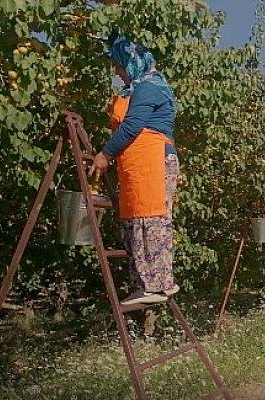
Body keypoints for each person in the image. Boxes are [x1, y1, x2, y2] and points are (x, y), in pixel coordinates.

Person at [89, 33, 180, 305]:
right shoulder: (137, 87)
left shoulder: (150, 86)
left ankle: (160, 284)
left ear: (132, 61)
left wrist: (105, 154)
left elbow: (133, 125)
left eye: (119, 65)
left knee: (151, 220)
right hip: (137, 165)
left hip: (153, 161)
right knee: (137, 221)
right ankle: (145, 284)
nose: (117, 71)